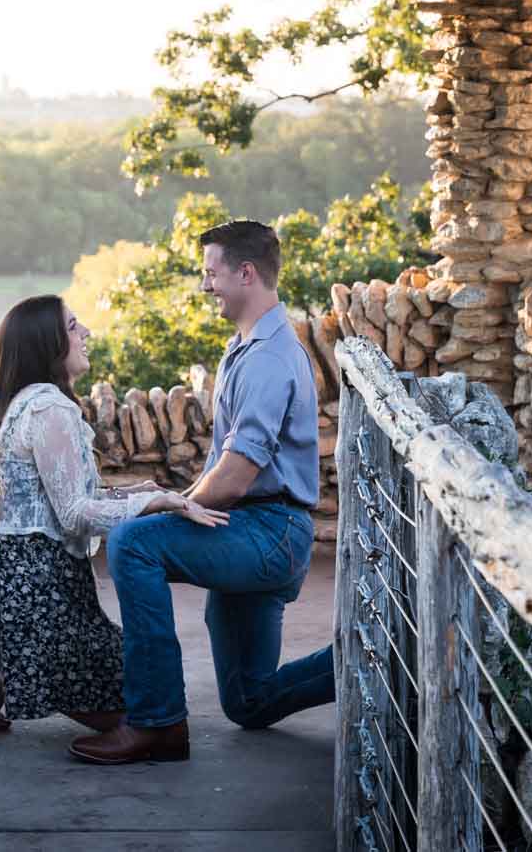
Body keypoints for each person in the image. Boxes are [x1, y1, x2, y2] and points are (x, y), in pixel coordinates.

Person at [70, 219, 334, 765]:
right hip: (255, 527)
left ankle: (156, 723)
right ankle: (371, 654)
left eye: (211, 273)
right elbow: (229, 469)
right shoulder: (248, 346)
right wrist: (179, 500)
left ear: (246, 272)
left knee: (134, 543)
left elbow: (237, 473)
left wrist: (174, 506)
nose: (205, 285)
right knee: (249, 702)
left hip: (266, 532)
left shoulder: (267, 358)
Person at [0, 294, 226, 745]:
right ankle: (0, 664)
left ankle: (1, 660)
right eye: (75, 326)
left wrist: (142, 492)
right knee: (142, 721)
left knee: (151, 696)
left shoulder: (35, 402)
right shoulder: (48, 409)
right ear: (48, 344)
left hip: (45, 592)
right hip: (37, 603)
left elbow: (69, 497)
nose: (87, 334)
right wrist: (156, 505)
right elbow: (75, 515)